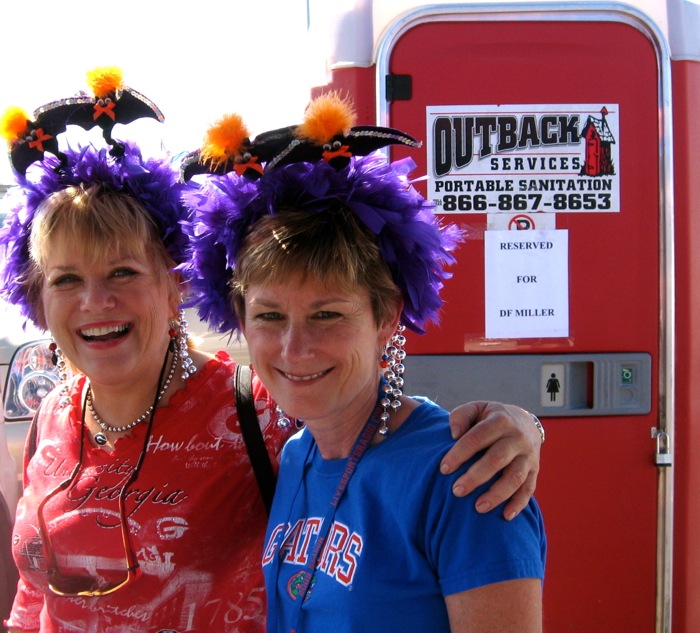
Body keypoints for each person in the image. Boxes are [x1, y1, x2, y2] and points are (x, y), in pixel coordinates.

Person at [0, 72, 543, 633]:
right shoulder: (50, 421)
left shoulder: (258, 414)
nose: (96, 301)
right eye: (66, 279)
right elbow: (34, 597)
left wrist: (520, 427)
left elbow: (370, 418)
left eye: (122, 272)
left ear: (174, 287)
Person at [184, 94, 546, 632]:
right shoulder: (297, 454)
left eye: (327, 314)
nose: (293, 348)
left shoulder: (465, 475)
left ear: (386, 317)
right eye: (269, 316)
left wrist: (527, 425)